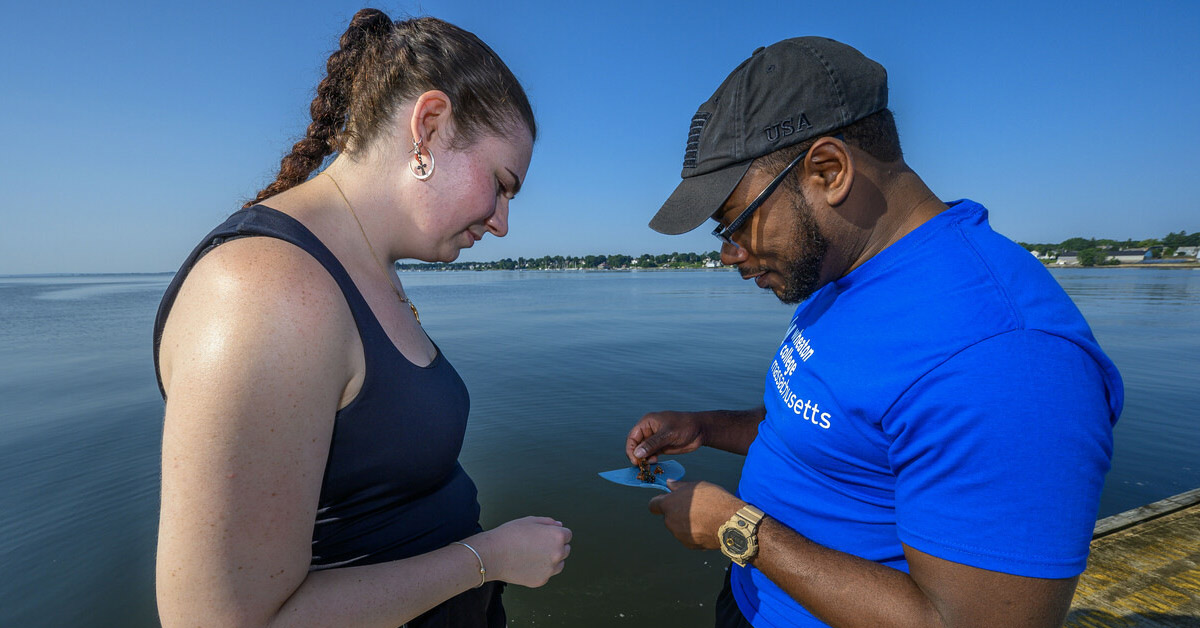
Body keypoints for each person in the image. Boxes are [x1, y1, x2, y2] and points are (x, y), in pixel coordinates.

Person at [625, 37, 1122, 628]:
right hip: (753, 602)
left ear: (829, 171)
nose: (730, 254)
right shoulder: (841, 272)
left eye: (734, 223)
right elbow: (836, 428)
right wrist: (706, 427)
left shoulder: (1007, 359)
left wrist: (740, 529)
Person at [152, 10, 571, 627]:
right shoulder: (266, 292)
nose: (502, 222)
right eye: (501, 185)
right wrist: (488, 558)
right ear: (428, 126)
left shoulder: (365, 269)